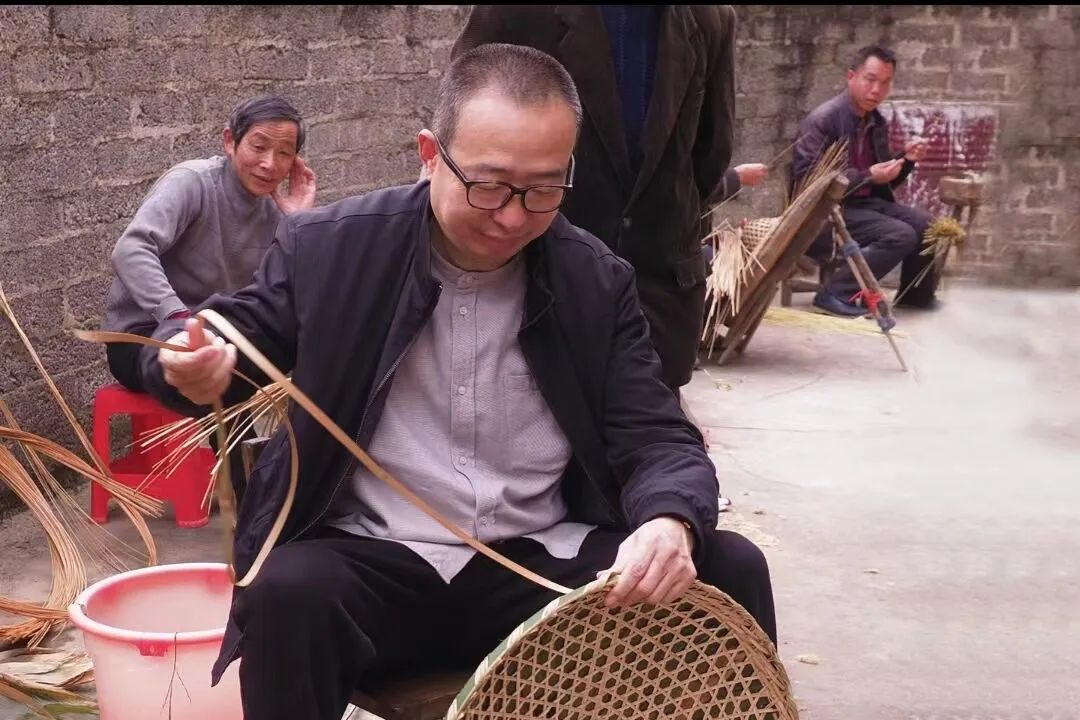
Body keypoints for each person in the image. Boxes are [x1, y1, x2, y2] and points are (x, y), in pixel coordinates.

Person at [136, 44, 776, 720]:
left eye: (545, 189)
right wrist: (187, 362)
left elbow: (656, 432)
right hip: (379, 567)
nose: (512, 216)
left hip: (540, 571)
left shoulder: (595, 278)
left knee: (728, 566)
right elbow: (227, 343)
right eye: (490, 185)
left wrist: (671, 522)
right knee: (287, 590)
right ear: (429, 152)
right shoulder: (331, 250)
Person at [451, 6, 737, 396]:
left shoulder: (709, 18)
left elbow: (710, 155)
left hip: (659, 294)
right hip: (538, 284)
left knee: (653, 445)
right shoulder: (516, 11)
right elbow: (465, 135)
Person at [103, 94, 317, 392]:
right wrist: (179, 319)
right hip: (146, 336)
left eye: (284, 153)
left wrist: (298, 222)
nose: (269, 163)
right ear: (230, 141)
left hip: (217, 336)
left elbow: (288, 293)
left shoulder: (276, 212)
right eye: (259, 146)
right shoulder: (192, 182)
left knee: (304, 360)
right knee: (219, 377)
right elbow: (131, 250)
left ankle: (273, 439)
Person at [791, 45, 940, 317]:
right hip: (827, 212)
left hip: (865, 204)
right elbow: (808, 181)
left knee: (928, 225)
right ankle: (834, 293)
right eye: (870, 80)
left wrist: (905, 160)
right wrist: (869, 175)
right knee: (900, 234)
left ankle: (915, 296)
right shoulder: (823, 120)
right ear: (851, 77)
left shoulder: (875, 121)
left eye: (885, 83)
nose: (876, 90)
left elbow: (883, 185)